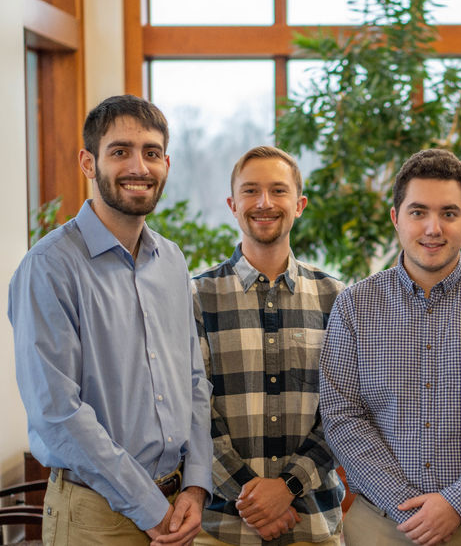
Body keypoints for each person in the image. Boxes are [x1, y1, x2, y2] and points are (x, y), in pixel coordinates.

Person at [7, 95, 212, 546]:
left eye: (151, 153)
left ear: (166, 163)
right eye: (120, 151)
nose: (139, 166)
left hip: (178, 509)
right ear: (88, 161)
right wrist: (148, 505)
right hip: (95, 516)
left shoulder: (172, 261)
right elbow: (58, 413)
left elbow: (194, 381)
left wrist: (196, 485)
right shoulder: (49, 267)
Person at [319, 148, 461, 546]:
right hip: (380, 526)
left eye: (449, 213)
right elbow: (342, 416)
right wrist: (411, 507)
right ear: (396, 218)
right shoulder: (354, 306)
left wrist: (456, 502)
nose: (433, 227)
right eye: (418, 211)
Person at [191, 146, 345, 546]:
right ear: (232, 204)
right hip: (220, 528)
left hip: (312, 524)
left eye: (278, 191)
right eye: (250, 191)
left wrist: (288, 487)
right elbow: (191, 412)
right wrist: (252, 501)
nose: (264, 203)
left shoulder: (337, 298)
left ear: (299, 205)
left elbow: (345, 412)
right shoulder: (196, 297)